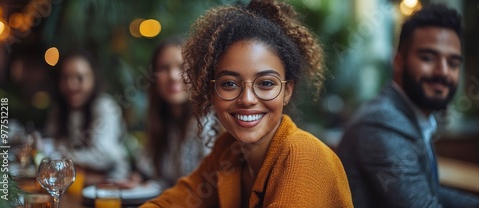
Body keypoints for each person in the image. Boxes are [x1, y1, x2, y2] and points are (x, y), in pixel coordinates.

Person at [140, 0, 353, 207]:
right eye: (230, 84)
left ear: (287, 90)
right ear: (211, 91)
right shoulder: (228, 150)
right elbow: (172, 202)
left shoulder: (303, 155)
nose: (247, 99)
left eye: (266, 83)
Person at [336, 4, 479, 208]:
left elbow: (430, 192)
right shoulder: (382, 122)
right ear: (398, 61)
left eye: (453, 63)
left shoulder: (414, 117)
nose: (443, 72)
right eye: (428, 58)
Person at [133, 38, 216, 188]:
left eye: (183, 67)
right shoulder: (162, 121)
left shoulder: (208, 120)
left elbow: (208, 187)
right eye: (164, 68)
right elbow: (151, 173)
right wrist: (137, 180)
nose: (173, 76)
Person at [45, 50, 129, 179]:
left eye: (79, 78)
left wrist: (64, 156)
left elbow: (104, 155)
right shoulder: (59, 111)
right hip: (74, 183)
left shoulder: (105, 107)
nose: (71, 84)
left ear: (93, 79)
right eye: (65, 77)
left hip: (111, 185)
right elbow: (51, 147)